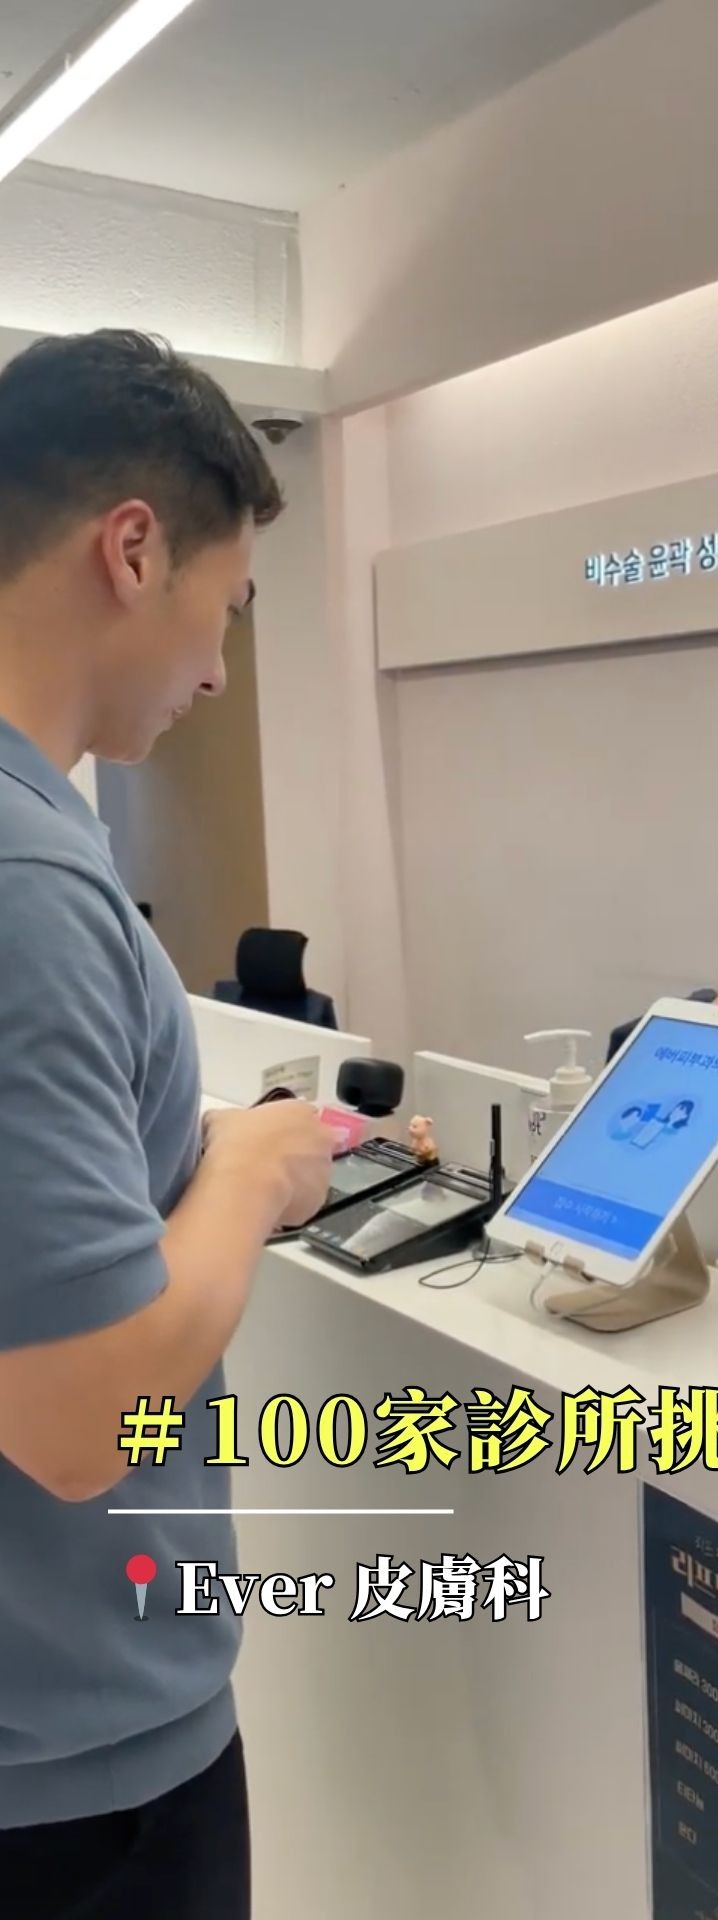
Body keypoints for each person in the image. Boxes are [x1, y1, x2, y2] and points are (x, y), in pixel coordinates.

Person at [0, 332, 335, 1918]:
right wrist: (251, 1173)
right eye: (231, 605)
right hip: (75, 1781)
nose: (217, 670)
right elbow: (79, 1420)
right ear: (133, 550)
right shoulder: (29, 889)